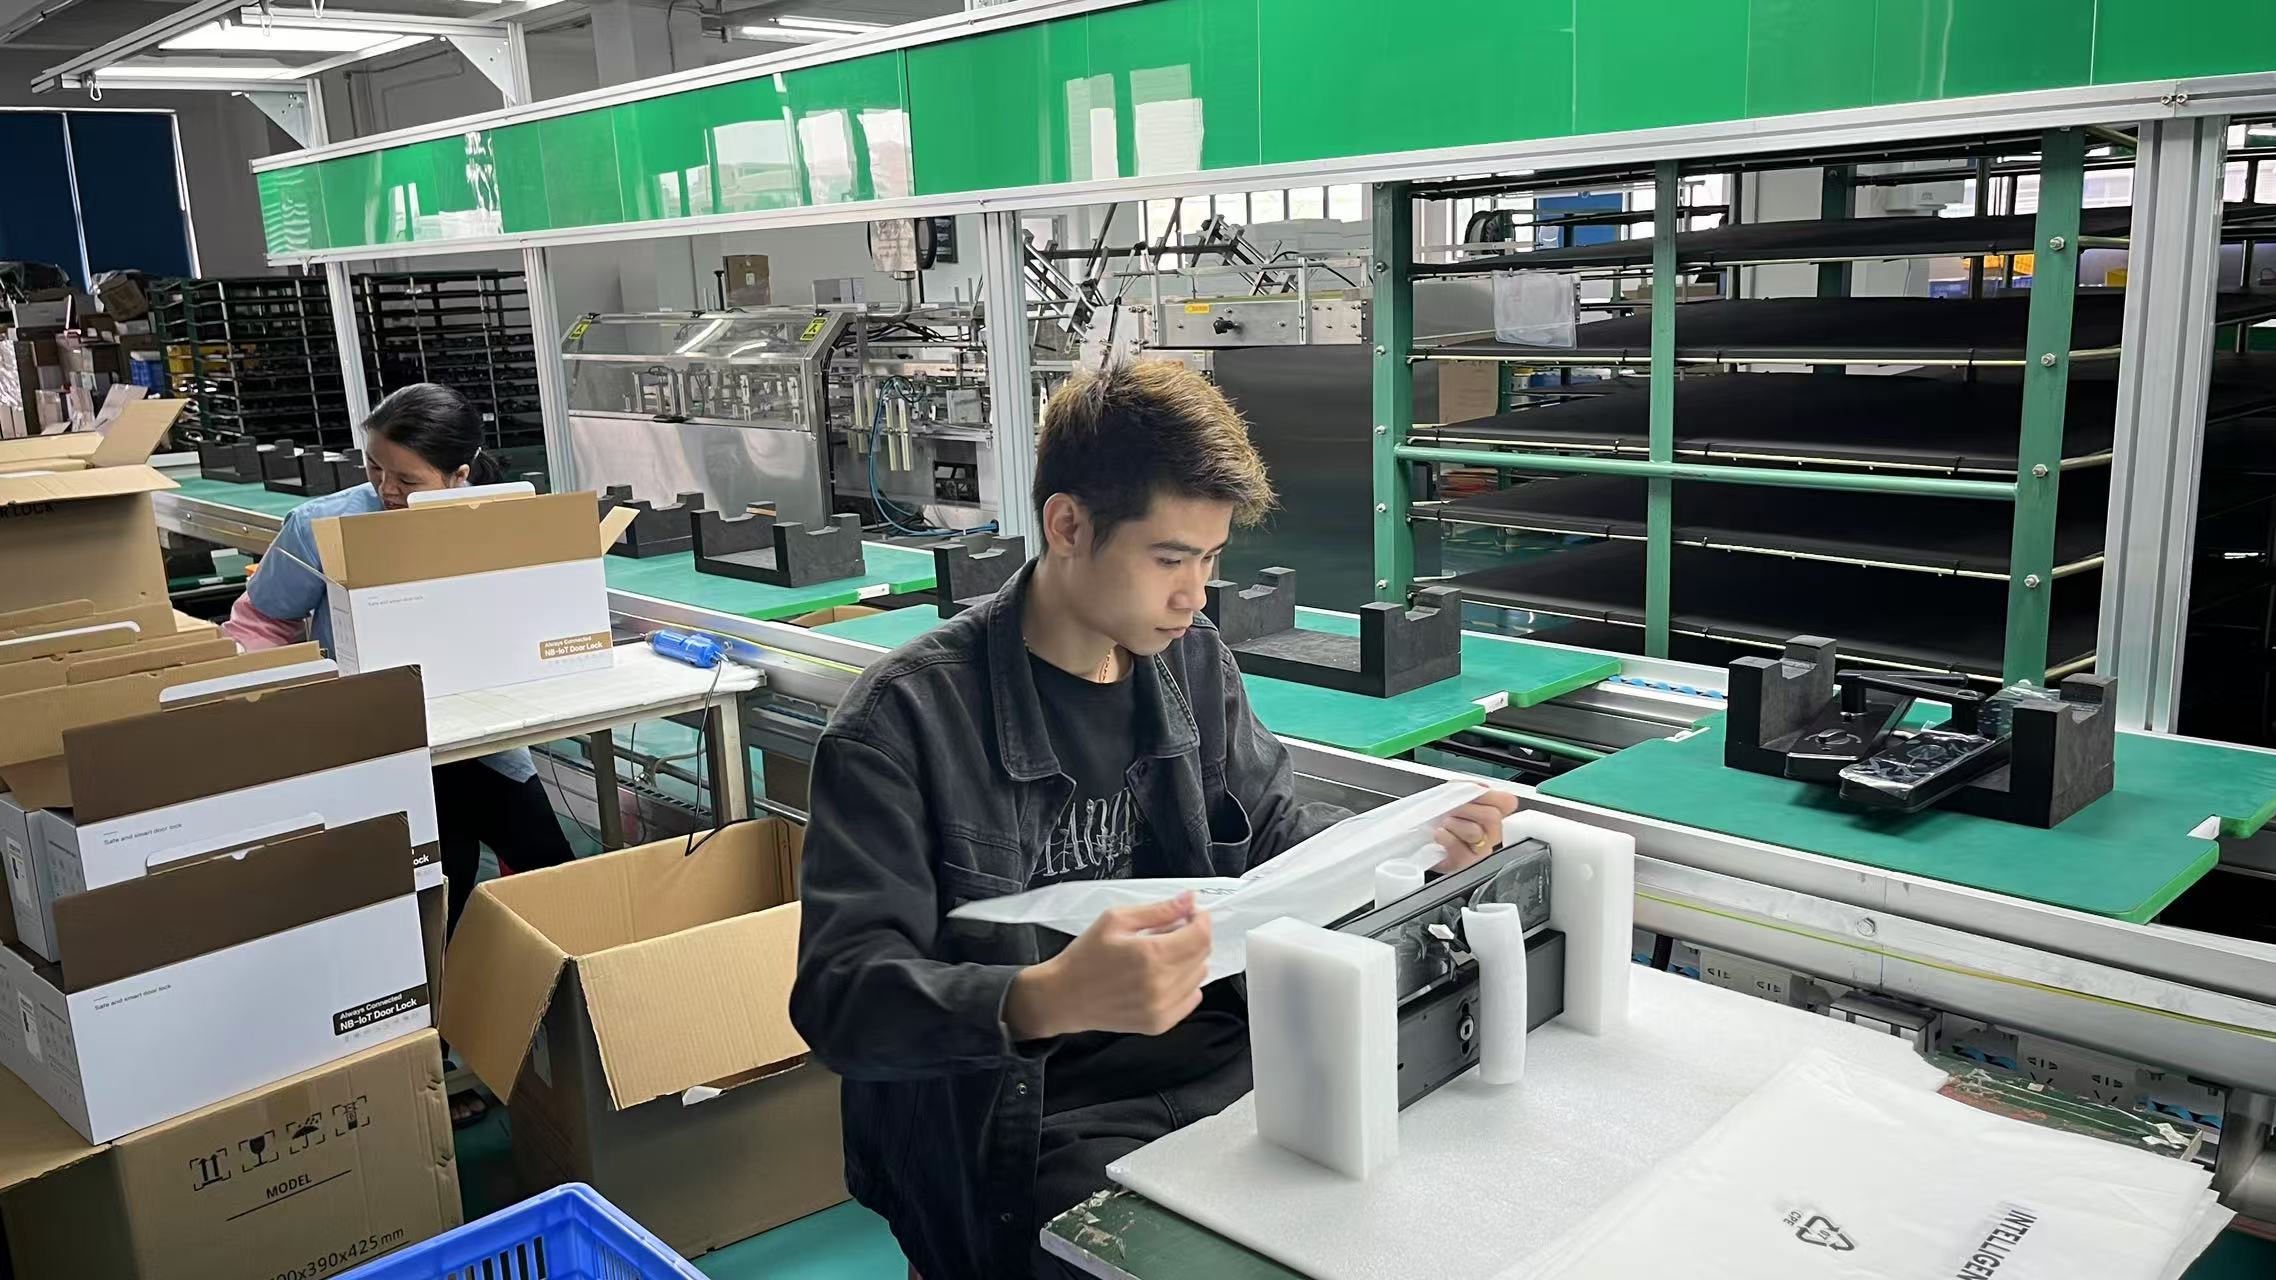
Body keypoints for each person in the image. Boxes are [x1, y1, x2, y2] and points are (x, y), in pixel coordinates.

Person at [789, 361, 1517, 1280]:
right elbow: (842, 1001)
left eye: (1210, 562)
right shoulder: (904, 723)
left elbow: (1275, 840)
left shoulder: (1192, 664)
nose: (1195, 596)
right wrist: (1046, 996)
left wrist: (1416, 853)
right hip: (1034, 1129)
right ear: (1067, 525)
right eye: (1170, 559)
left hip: (1233, 1078)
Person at [222, 382, 574, 932]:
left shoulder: (499, 518)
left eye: (407, 480)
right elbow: (259, 624)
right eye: (373, 469)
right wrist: (303, 698)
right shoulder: (321, 527)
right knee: (442, 881)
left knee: (551, 871)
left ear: (460, 475)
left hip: (480, 737)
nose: (385, 489)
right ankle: (449, 1003)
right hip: (373, 741)